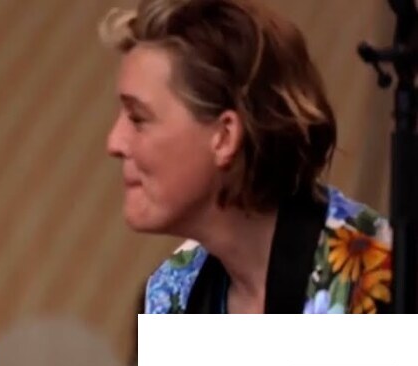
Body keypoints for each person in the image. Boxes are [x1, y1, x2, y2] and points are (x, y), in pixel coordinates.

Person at [102, 0, 392, 314]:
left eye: (138, 118)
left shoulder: (376, 273)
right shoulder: (171, 291)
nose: (114, 143)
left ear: (224, 136)